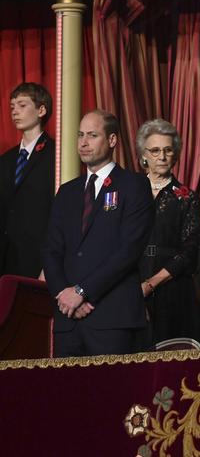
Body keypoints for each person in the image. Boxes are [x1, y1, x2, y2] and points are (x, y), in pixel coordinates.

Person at [41, 110, 154, 357]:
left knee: (114, 394)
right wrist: (64, 295)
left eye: (92, 135)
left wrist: (82, 292)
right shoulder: (67, 192)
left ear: (112, 140)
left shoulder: (134, 185)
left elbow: (128, 251)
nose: (83, 142)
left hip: (112, 317)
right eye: (80, 135)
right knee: (66, 393)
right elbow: (51, 250)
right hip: (68, 319)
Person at [135, 119, 200, 346]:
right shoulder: (129, 193)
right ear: (144, 155)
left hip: (173, 291)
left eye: (167, 150)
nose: (162, 156)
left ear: (175, 155)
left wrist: (152, 283)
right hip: (131, 289)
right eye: (155, 151)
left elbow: (189, 252)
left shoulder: (186, 197)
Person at [0, 83, 55, 278]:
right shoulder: (6, 160)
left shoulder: (56, 156)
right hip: (7, 261)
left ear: (41, 109)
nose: (15, 111)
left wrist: (50, 265)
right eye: (12, 106)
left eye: (22, 105)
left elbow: (59, 214)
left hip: (38, 262)